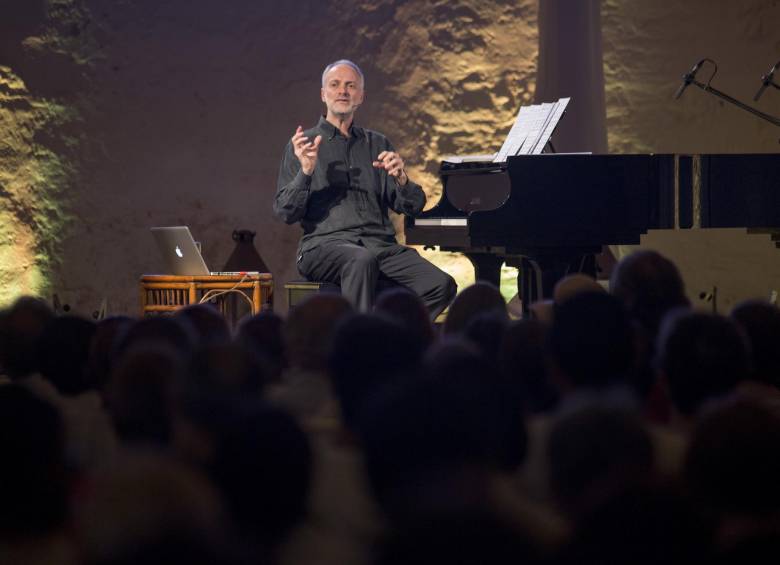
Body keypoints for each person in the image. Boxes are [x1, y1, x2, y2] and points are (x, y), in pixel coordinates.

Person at [274, 59, 456, 317]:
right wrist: (306, 171)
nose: (343, 91)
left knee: (441, 285)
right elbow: (286, 212)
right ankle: (359, 345)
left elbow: (413, 206)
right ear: (323, 94)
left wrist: (402, 178)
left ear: (361, 95)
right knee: (360, 260)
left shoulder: (378, 143)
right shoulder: (303, 146)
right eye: (335, 85)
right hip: (324, 246)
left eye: (351, 86)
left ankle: (391, 341)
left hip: (380, 247)